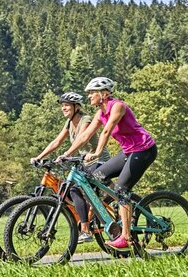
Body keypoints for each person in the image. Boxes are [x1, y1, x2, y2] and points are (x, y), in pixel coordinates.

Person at [57, 77, 157, 249]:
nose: (88, 97)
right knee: (94, 178)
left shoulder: (117, 106)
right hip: (128, 152)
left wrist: (96, 153)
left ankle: (126, 236)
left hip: (143, 150)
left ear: (103, 94)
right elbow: (85, 136)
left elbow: (106, 131)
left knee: (121, 189)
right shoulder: (99, 113)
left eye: (91, 93)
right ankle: (115, 212)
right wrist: (66, 154)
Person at [30, 92, 111, 243]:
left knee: (74, 189)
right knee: (72, 191)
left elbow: (81, 138)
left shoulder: (85, 119)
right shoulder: (69, 123)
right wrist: (39, 157)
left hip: (99, 161)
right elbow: (56, 142)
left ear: (76, 106)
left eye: (66, 105)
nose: (63, 108)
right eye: (62, 105)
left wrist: (67, 154)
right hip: (84, 163)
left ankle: (85, 231)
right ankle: (88, 219)